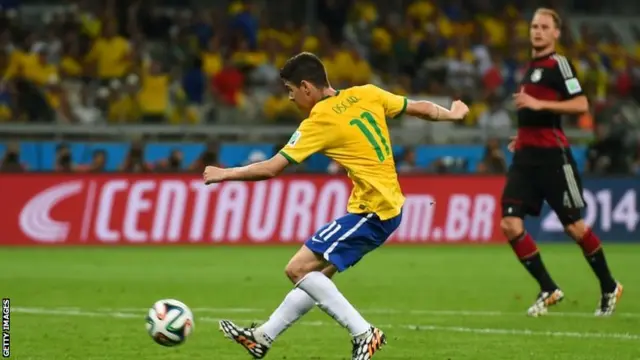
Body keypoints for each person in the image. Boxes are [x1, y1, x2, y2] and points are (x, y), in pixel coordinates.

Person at [203, 52, 469, 359]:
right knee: (318, 276)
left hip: (374, 210)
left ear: (306, 87)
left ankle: (364, 333)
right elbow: (418, 108)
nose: (290, 98)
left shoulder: (320, 119)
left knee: (298, 268)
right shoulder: (366, 93)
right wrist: (452, 113)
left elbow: (272, 167)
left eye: (290, 90)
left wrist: (225, 174)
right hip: (385, 207)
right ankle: (263, 336)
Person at [505, 8, 623, 317]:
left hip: (553, 157)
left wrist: (538, 103)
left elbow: (581, 103)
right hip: (525, 156)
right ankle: (548, 288)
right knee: (509, 223)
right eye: (534, 26)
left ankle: (609, 285)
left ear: (556, 33)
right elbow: (530, 114)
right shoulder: (530, 68)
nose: (538, 31)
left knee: (573, 226)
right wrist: (522, 135)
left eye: (544, 27)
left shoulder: (559, 65)